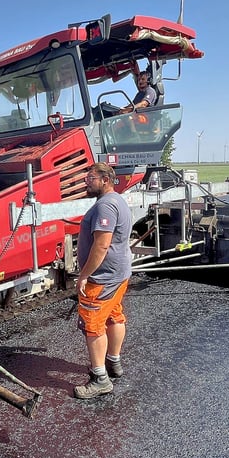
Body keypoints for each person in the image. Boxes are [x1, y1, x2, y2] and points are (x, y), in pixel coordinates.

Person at [73, 162, 133, 399]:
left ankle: (100, 379)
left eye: (91, 179)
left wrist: (84, 275)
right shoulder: (117, 200)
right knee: (114, 315)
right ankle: (113, 363)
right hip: (119, 273)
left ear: (105, 180)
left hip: (103, 277)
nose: (86, 183)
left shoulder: (105, 206)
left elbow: (102, 245)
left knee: (93, 324)